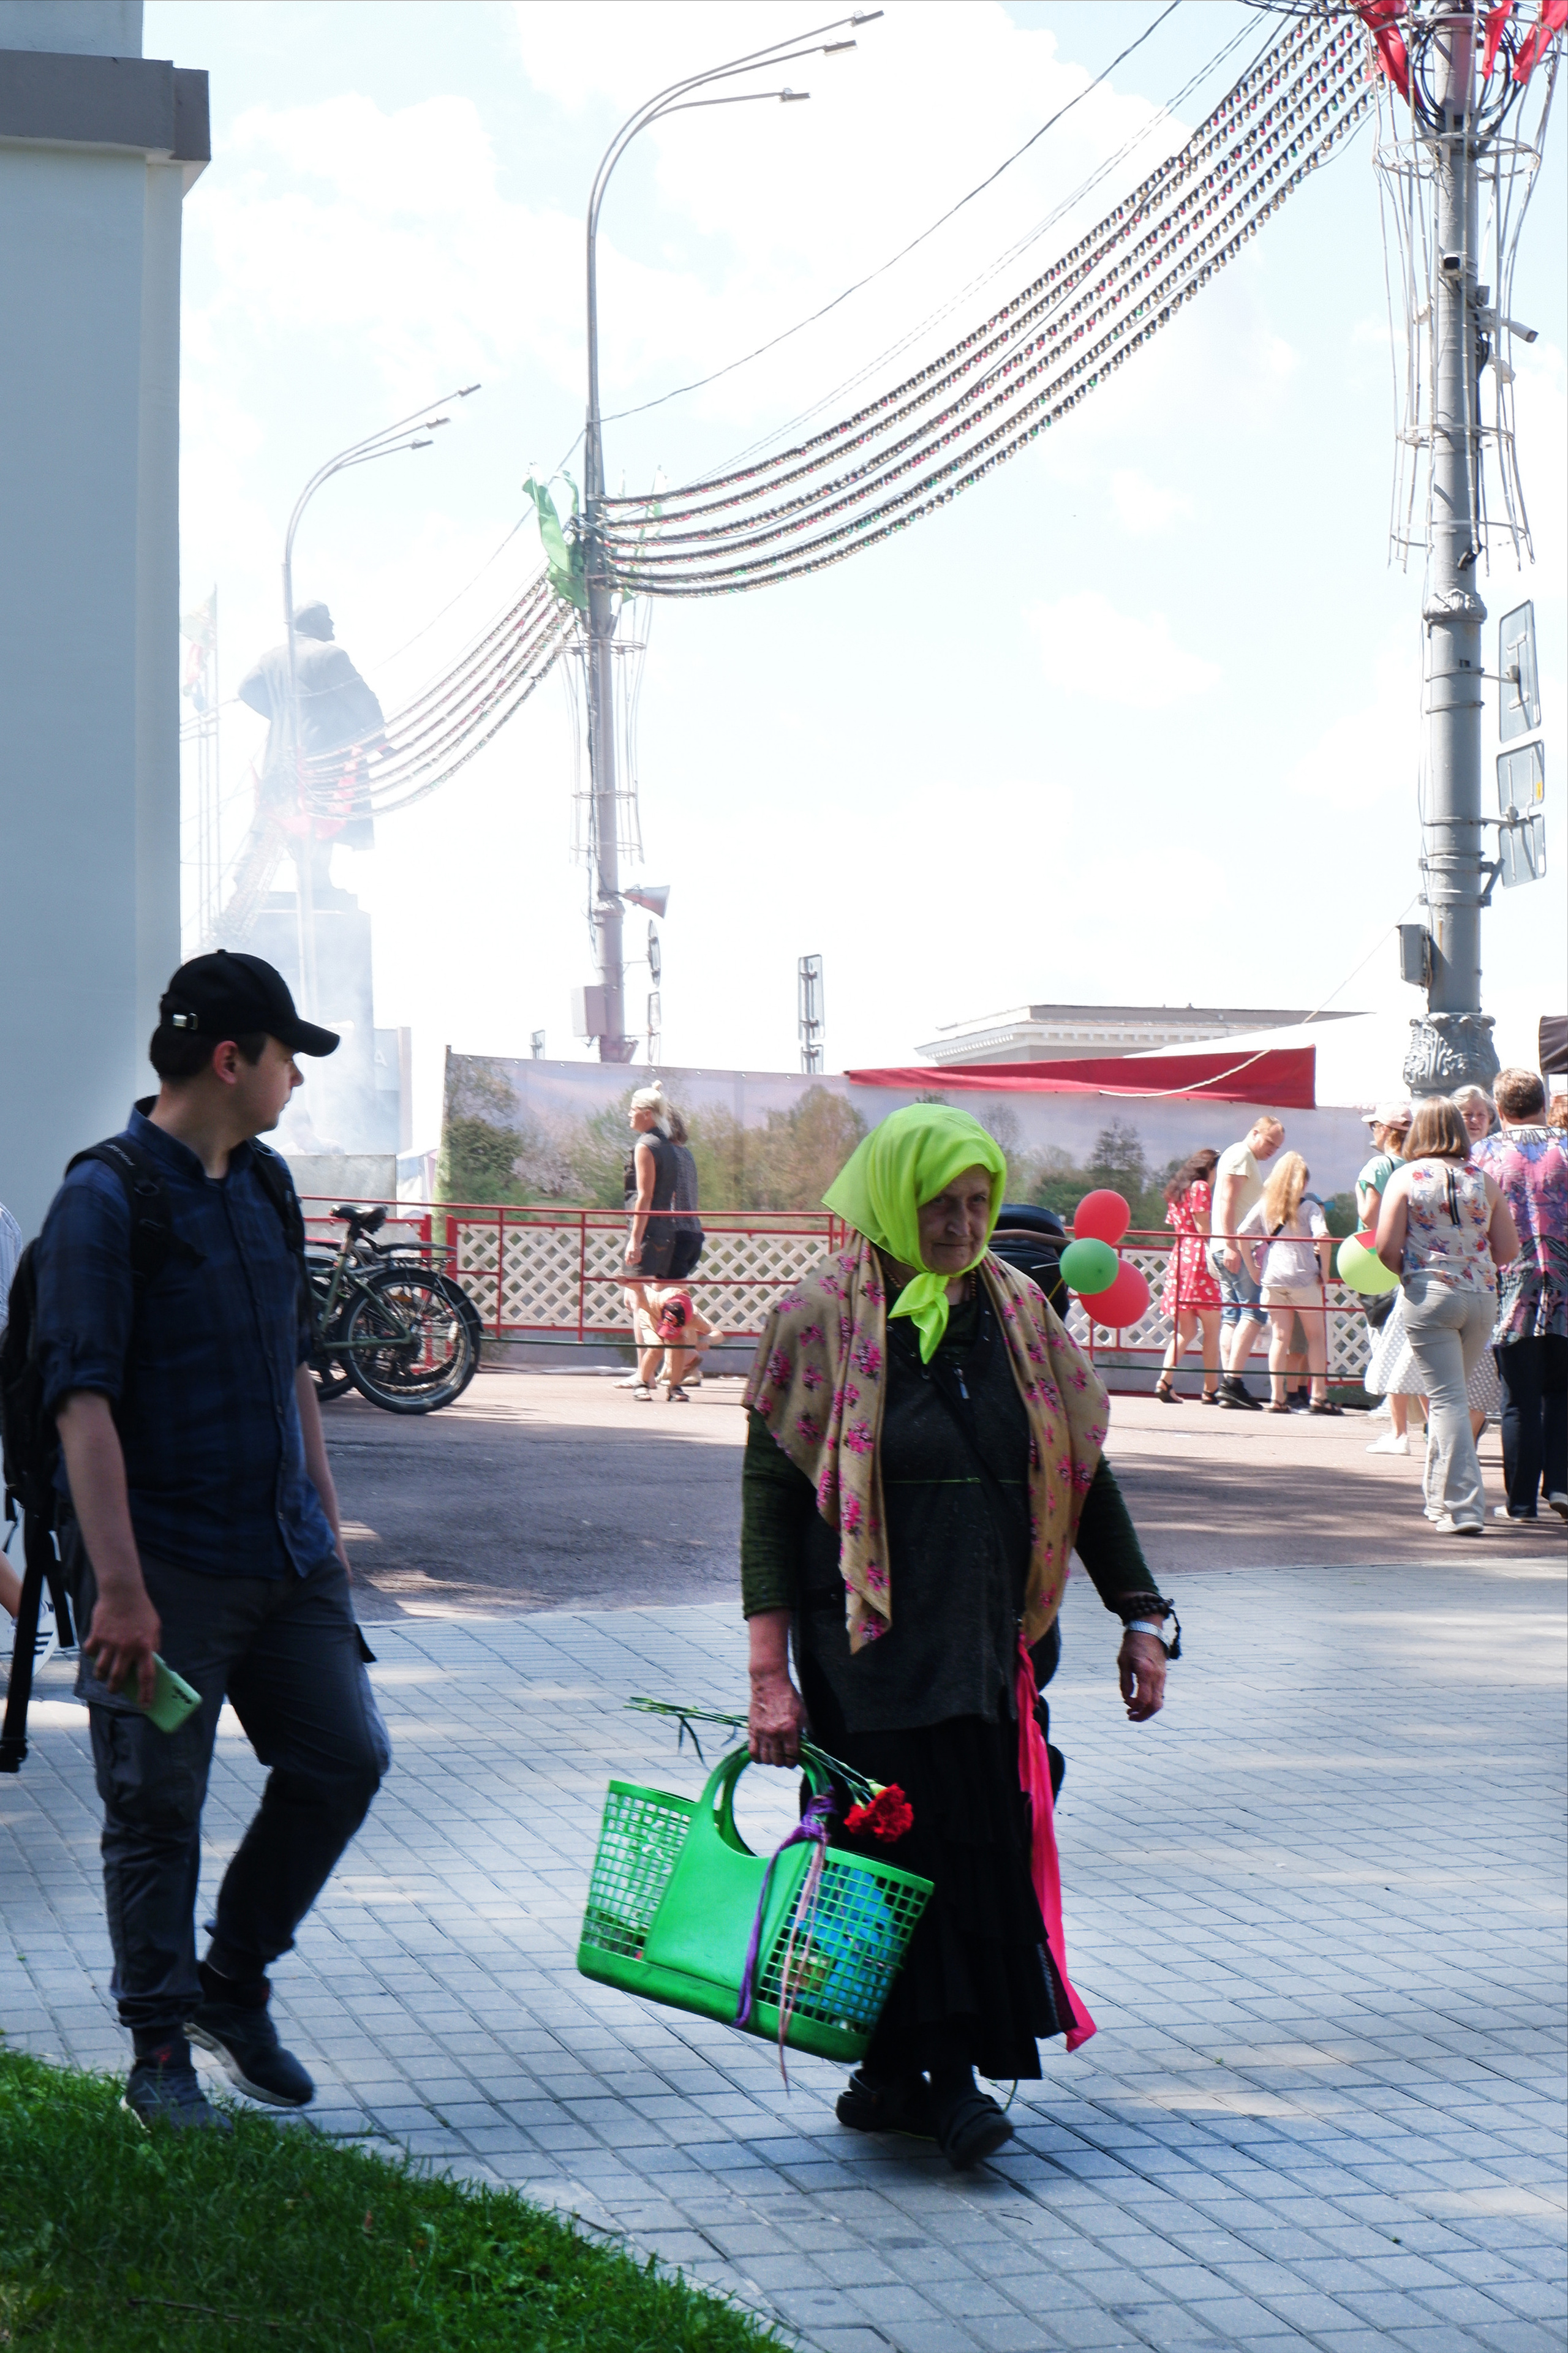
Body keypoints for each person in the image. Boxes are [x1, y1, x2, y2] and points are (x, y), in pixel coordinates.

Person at [742, 1105, 1176, 2170]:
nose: (964, 1223)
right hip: (869, 1643)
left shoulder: (1019, 1308)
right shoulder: (817, 1317)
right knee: (902, 1844)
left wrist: (1140, 1612)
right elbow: (767, 1493)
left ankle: (892, 2075)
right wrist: (768, 1674)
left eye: (980, 1203)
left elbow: (1083, 1469)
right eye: (944, 1203)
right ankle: (947, 2082)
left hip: (988, 1639)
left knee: (972, 1840)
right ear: (893, 1197)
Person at [31, 951, 390, 2129]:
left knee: (345, 1757)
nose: (297, 1077)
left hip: (285, 1556)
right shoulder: (106, 1195)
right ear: (232, 1058)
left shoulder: (269, 1183)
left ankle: (232, 1984)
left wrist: (326, 1523)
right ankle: (158, 2052)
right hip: (165, 1569)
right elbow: (80, 1401)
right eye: (288, 1055)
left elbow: (290, 1364)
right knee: (155, 1808)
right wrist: (120, 1591)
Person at [1376, 1097, 1518, 1535]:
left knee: (1448, 1400)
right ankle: (1439, 1500)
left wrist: (1412, 1273)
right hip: (1480, 1297)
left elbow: (1385, 1247)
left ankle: (1464, 1506)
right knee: (1451, 1398)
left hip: (1431, 1293)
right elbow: (1509, 1250)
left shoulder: (1407, 1177)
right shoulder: (1483, 1180)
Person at [1472, 1067, 1567, 1524]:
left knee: (1519, 1399)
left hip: (1510, 1284)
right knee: (1564, 1395)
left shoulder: (1483, 1155)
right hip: (1567, 1280)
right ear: (1543, 1102)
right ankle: (1564, 1485)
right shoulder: (1567, 1146)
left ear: (1499, 1107)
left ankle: (1523, 1502)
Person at [1237, 1152, 1338, 1413]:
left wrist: (1253, 1269)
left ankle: (1277, 1398)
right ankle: (1318, 1396)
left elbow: (1242, 1234)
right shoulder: (1310, 1208)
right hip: (1303, 1277)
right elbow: (1324, 1237)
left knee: (1280, 1338)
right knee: (1316, 1337)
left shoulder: (1264, 1206)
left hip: (1272, 1278)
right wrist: (1324, 1272)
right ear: (1302, 1182)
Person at [1209, 1116, 1284, 1408]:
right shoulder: (1241, 1155)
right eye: (1269, 1143)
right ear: (1254, 1133)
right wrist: (1231, 1245)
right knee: (1253, 1314)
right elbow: (1229, 1201)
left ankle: (1230, 1382)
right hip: (1236, 1247)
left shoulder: (1239, 1156)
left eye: (1277, 1147)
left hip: (1228, 1245)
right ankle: (1232, 1382)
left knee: (1233, 1315)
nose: (1272, 1150)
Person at [1356, 1103, 1417, 1455]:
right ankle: (1428, 1429)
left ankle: (1398, 1432)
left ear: (1384, 1130)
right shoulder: (1414, 1166)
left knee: (1387, 1344)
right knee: (1415, 1349)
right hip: (1410, 1261)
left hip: (1377, 1262)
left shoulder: (1378, 1166)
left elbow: (1369, 1216)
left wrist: (1361, 1192)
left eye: (1374, 1127)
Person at [620, 1083, 680, 1401]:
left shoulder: (645, 1146)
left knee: (637, 1303)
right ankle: (659, 1371)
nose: (629, 1115)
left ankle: (645, 1375)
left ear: (646, 1114)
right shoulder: (667, 1146)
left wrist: (634, 1239)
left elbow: (643, 1197)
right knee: (654, 1302)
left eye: (633, 1110)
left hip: (646, 1232)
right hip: (664, 1230)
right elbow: (665, 1195)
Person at [1155, 1150, 1222, 1403]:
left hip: (1180, 1255)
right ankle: (1210, 1388)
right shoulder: (1201, 1188)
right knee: (1212, 1329)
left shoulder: (1178, 1191)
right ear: (1210, 1169)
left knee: (1185, 1330)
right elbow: (1204, 1227)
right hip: (1200, 1258)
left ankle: (1165, 1380)